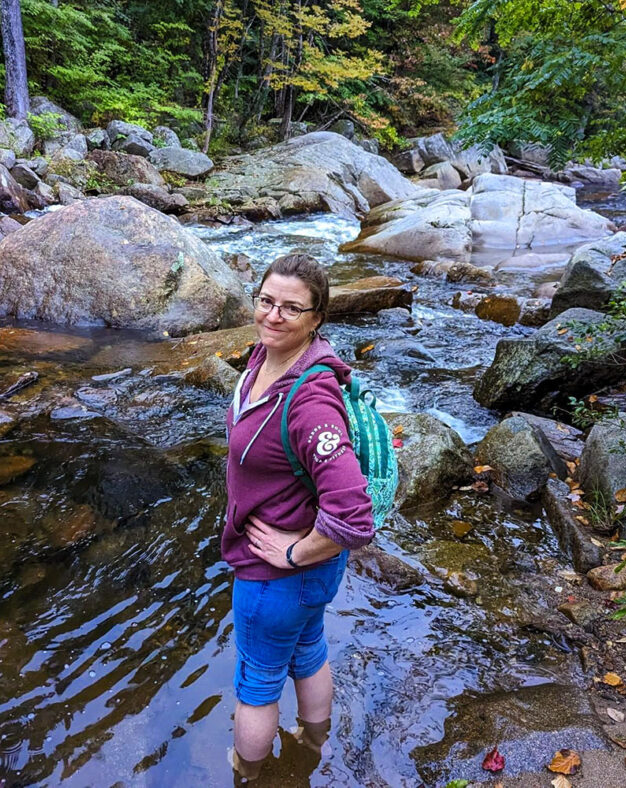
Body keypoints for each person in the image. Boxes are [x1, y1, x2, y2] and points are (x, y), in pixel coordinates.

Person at [222, 253, 375, 780]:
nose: (273, 316)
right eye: (266, 301)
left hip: (277, 576)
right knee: (309, 648)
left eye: (291, 308)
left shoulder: (310, 402)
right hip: (311, 575)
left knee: (257, 685)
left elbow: (354, 518)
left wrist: (293, 552)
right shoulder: (267, 359)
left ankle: (249, 774)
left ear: (316, 318)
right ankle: (313, 745)